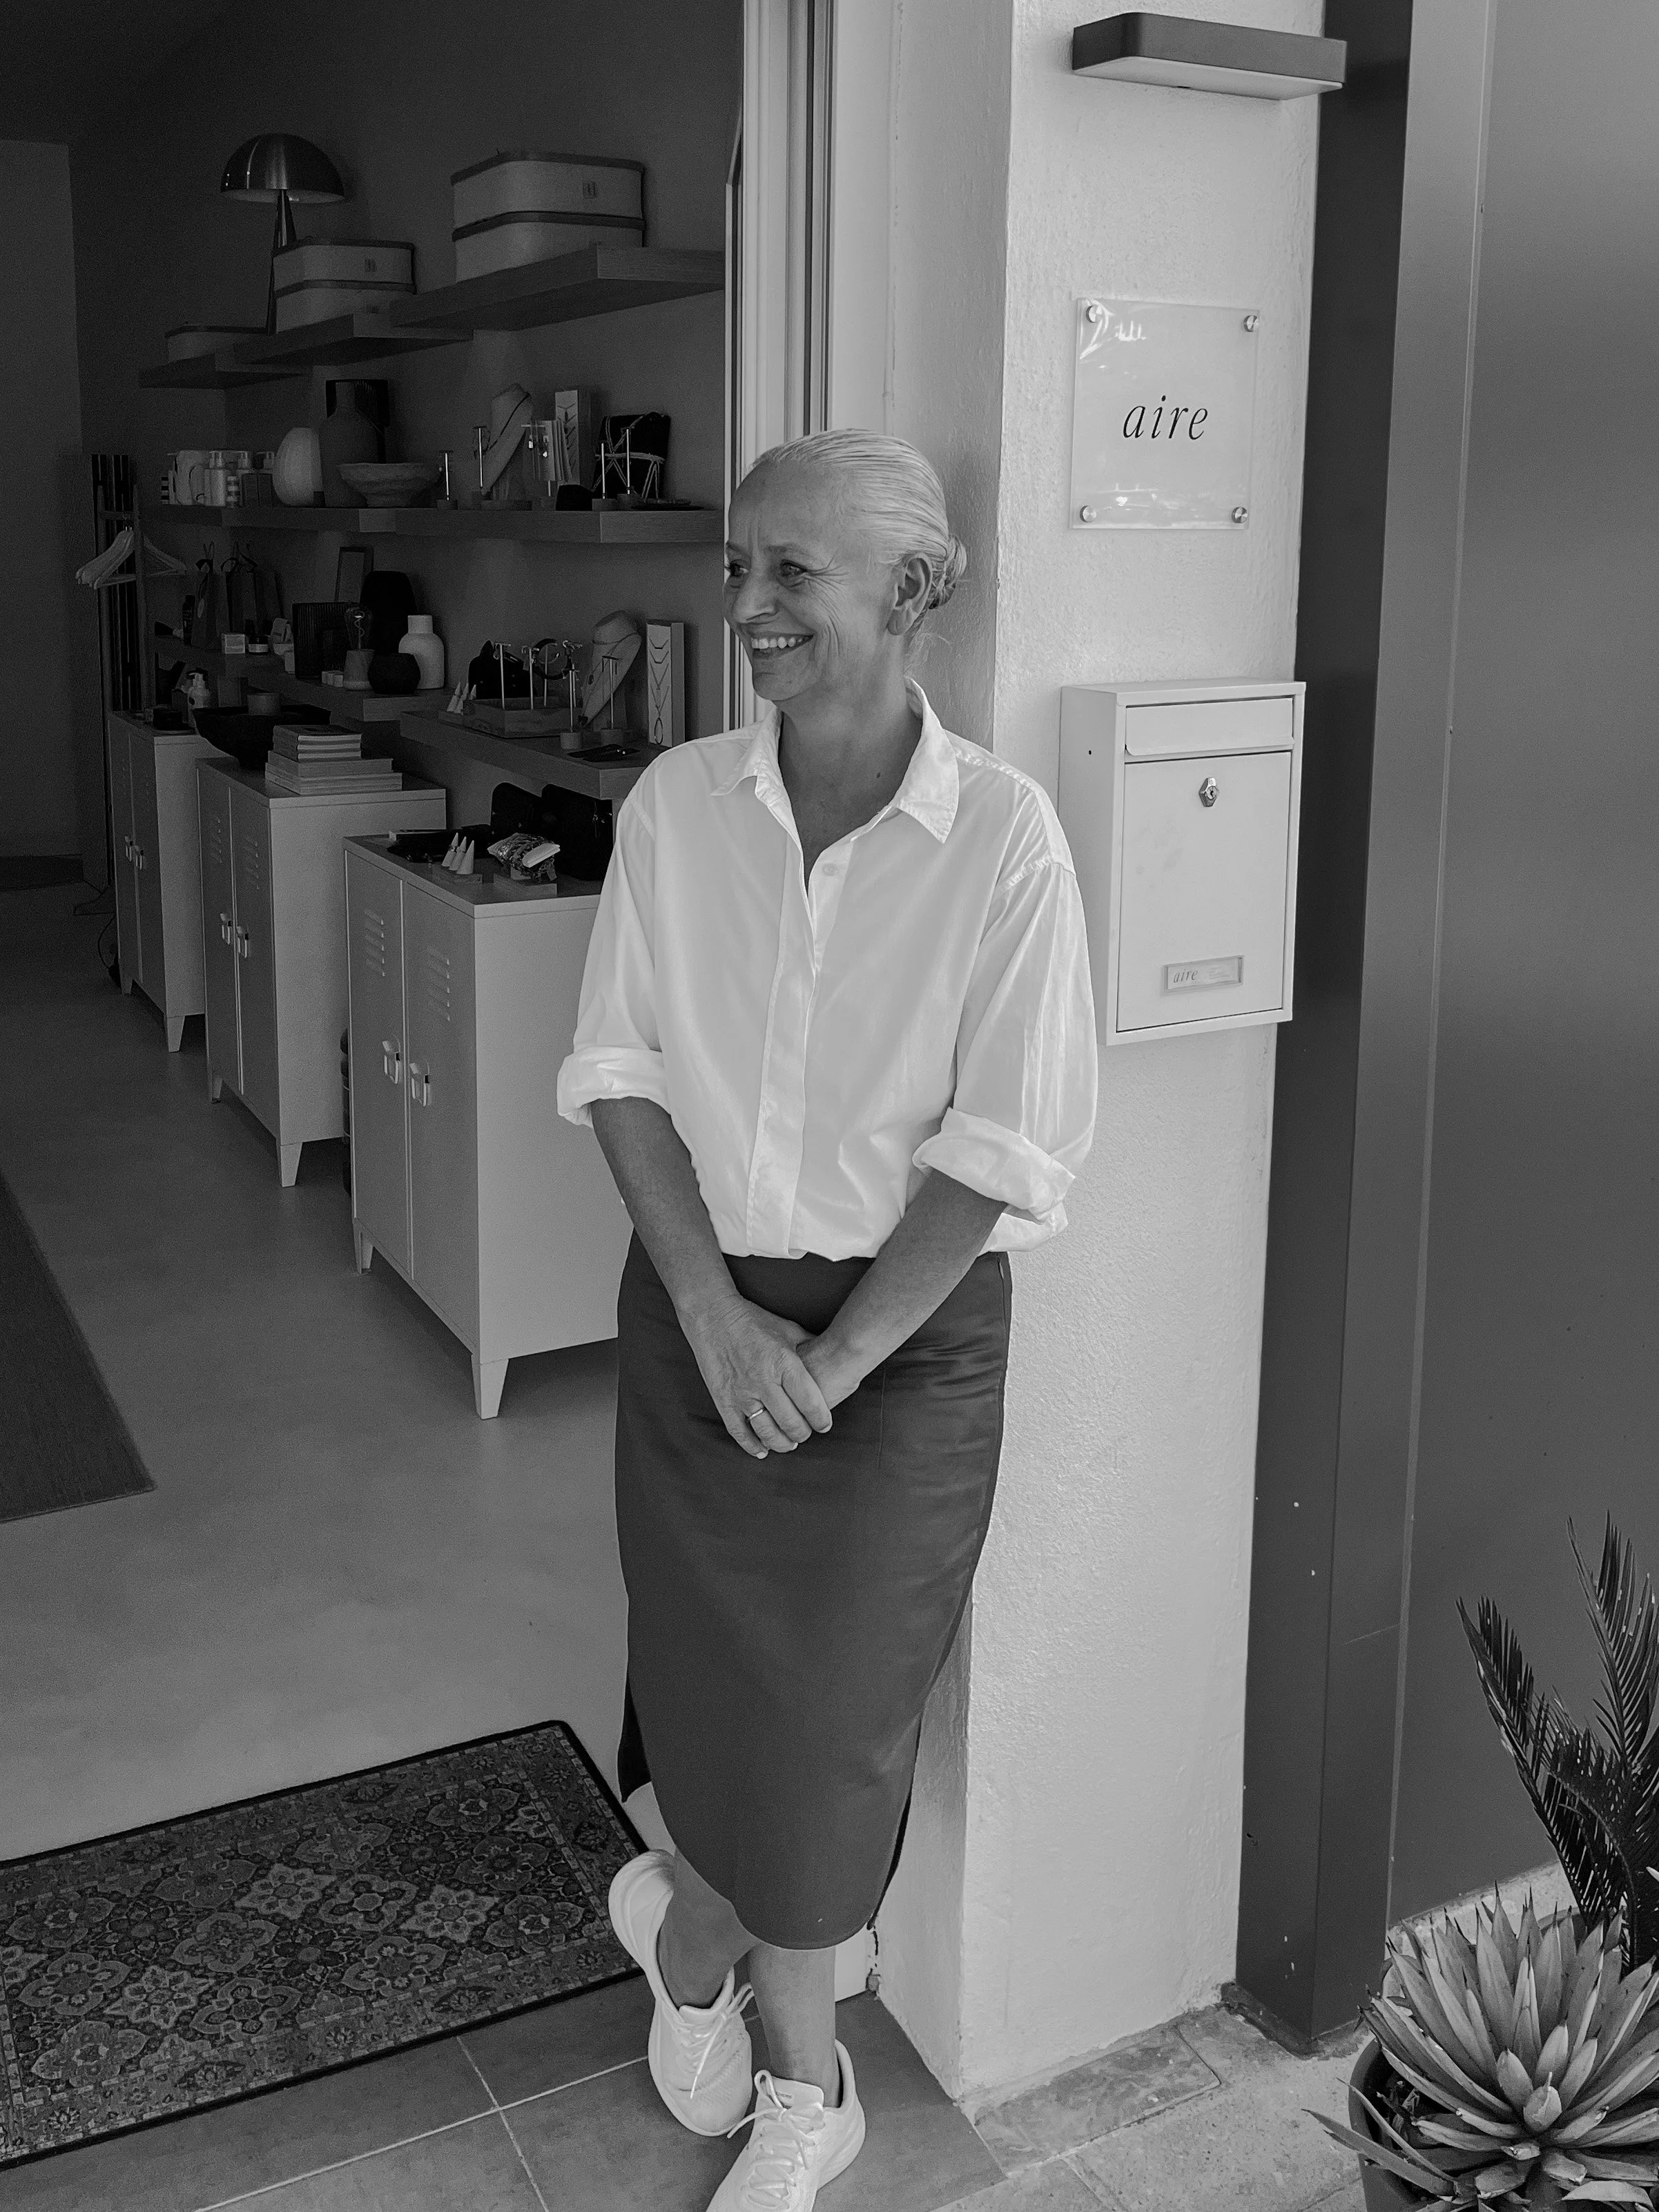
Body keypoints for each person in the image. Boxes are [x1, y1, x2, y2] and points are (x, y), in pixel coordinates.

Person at [556, 427, 1097, 2209]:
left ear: (917, 593)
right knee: (717, 1709)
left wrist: (837, 1358)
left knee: (832, 1730)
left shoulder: (1005, 838)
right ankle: (795, 2055)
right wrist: (717, 1321)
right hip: (700, 1322)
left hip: (908, 1352)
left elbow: (1004, 1142)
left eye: (792, 571)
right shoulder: (674, 806)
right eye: (740, 567)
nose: (749, 608)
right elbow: (622, 1074)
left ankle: (739, 2002)